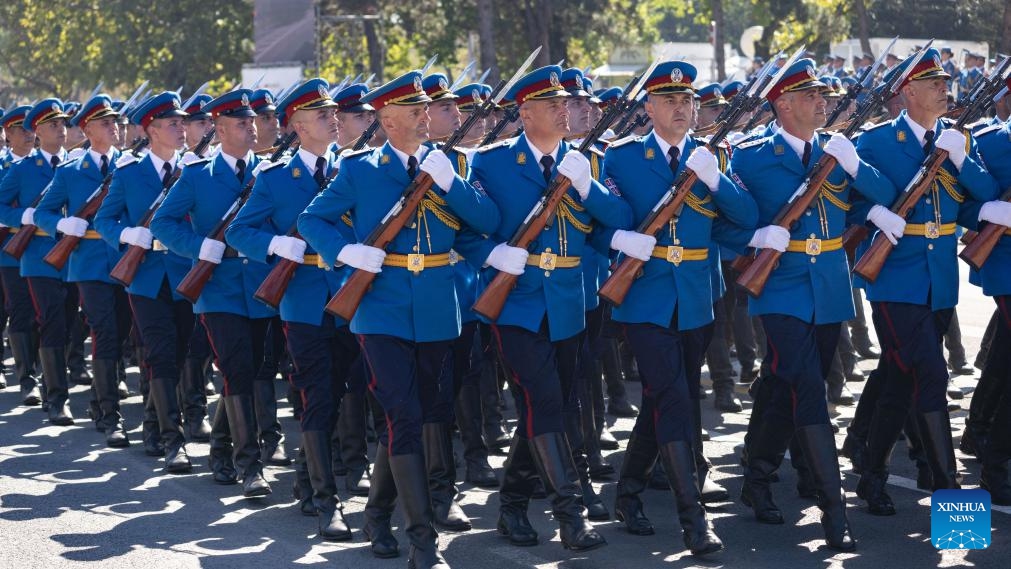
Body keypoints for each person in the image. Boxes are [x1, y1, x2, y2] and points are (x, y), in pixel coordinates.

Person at [298, 69, 501, 569]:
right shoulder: (359, 170)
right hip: (380, 306)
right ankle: (422, 539)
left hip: (438, 307)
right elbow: (311, 219)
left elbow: (484, 224)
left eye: (426, 110)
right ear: (387, 121)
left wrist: (453, 184)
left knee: (423, 414)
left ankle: (377, 513)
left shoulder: (450, 164)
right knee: (404, 414)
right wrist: (346, 252)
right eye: (415, 111)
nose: (426, 115)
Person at [731, 57, 899, 552]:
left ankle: (758, 475)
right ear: (782, 105)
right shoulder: (751, 157)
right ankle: (834, 509)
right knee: (806, 388)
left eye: (822, 94)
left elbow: (880, 194)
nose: (822, 101)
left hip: (829, 286)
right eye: (810, 95)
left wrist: (855, 168)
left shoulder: (836, 151)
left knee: (792, 386)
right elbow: (722, 221)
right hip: (779, 288)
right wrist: (755, 234)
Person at [463, 64, 632, 553]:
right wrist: (492, 256)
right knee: (545, 400)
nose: (565, 111)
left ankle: (512, 505)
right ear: (525, 112)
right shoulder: (491, 163)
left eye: (566, 104)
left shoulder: (584, 163)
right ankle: (569, 512)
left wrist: (587, 186)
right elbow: (470, 229)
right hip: (515, 302)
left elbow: (615, 221)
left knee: (550, 405)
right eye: (553, 105)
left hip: (569, 300)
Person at [603, 60, 757, 556]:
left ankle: (628, 492)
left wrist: (716, 181)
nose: (681, 108)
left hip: (695, 294)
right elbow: (598, 221)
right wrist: (620, 238)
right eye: (669, 100)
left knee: (669, 394)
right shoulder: (622, 157)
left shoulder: (712, 158)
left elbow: (743, 219)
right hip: (645, 295)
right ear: (648, 108)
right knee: (674, 397)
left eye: (688, 101)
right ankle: (695, 520)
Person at [852, 48, 999, 515]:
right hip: (895, 278)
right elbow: (846, 202)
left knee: (900, 380)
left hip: (938, 281)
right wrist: (872, 212)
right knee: (932, 375)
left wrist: (965, 164)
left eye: (945, 81)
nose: (945, 88)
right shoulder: (876, 142)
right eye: (934, 82)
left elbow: (979, 196)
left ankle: (871, 474)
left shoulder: (957, 141)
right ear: (908, 91)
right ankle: (951, 498)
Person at [151, 89, 275, 498]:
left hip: (259, 284)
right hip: (218, 287)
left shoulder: (271, 171)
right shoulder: (198, 175)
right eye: (241, 123)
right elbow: (164, 223)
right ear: (219, 129)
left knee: (255, 369)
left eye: (253, 121)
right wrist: (198, 247)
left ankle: (221, 448)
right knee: (236, 368)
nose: (252, 128)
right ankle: (249, 464)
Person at [35, 95, 131, 447]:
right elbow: (42, 213)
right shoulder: (71, 172)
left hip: (126, 261)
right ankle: (109, 414)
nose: (115, 128)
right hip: (89, 264)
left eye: (116, 122)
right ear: (88, 130)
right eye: (105, 123)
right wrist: (63, 225)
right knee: (104, 331)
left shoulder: (130, 166)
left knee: (121, 332)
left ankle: (96, 400)